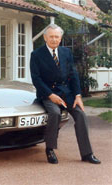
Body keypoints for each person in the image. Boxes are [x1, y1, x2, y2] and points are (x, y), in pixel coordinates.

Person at [30, 24, 101, 164]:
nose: (54, 39)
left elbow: (73, 74)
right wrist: (50, 95)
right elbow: (36, 79)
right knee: (55, 113)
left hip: (66, 93)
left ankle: (87, 153)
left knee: (80, 114)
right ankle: (50, 149)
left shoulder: (66, 53)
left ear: (60, 38)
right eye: (51, 36)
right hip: (48, 94)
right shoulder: (36, 55)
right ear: (45, 37)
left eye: (57, 37)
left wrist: (78, 96)